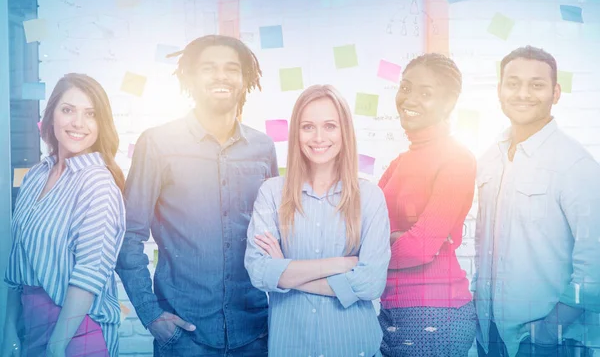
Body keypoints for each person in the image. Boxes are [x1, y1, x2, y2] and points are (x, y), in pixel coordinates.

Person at [116, 35, 278, 356]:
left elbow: (275, 230)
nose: (221, 76)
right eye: (209, 68)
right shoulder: (158, 144)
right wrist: (151, 316)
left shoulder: (263, 148)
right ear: (189, 77)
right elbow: (129, 235)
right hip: (184, 336)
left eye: (232, 68)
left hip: (255, 332)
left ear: (245, 79)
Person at [245, 84, 391, 357]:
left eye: (330, 126)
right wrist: (340, 265)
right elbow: (259, 271)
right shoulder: (272, 193)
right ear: (296, 133)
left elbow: (370, 283)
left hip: (354, 346)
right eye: (308, 126)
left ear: (344, 132)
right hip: (291, 347)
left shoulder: (370, 197)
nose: (319, 137)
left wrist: (287, 275)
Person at [474, 45, 600, 357]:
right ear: (500, 90)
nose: (523, 93)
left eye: (537, 84)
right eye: (513, 83)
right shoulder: (490, 157)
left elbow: (595, 261)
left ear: (556, 93)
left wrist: (548, 332)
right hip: (490, 334)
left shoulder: (575, 164)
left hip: (549, 342)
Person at [1, 73, 126, 356]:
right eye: (68, 109)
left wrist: (56, 349)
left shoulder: (97, 182)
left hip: (78, 332)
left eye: (90, 114)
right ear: (52, 115)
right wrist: (9, 330)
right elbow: (16, 263)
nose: (78, 123)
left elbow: (88, 275)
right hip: (28, 324)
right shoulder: (35, 175)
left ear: (100, 123)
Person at [377, 53, 477, 356]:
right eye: (406, 88)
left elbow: (420, 247)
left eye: (426, 93)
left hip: (436, 312)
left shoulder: (457, 158)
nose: (410, 99)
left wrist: (377, 248)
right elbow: (363, 225)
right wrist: (389, 241)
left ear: (449, 103)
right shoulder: (400, 162)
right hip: (393, 308)